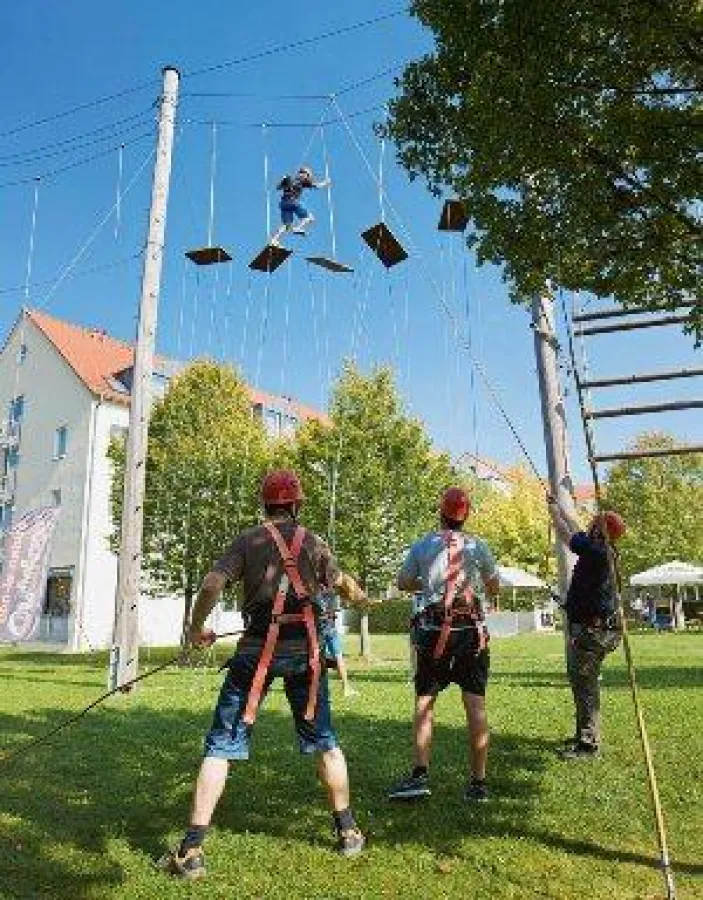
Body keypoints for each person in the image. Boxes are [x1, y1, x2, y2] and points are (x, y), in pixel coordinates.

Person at [158, 470, 368, 880]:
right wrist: (362, 599)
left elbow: (211, 584)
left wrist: (194, 628)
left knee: (221, 745)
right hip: (304, 655)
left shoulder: (248, 541)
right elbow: (344, 584)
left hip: (255, 652)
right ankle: (348, 832)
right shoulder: (315, 542)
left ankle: (191, 850)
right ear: (297, 504)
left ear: (265, 505)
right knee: (325, 741)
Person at [388, 487, 500, 803]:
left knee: (425, 703)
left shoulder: (424, 545)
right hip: (469, 635)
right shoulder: (479, 546)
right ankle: (478, 784)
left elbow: (403, 582)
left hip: (434, 633)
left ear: (441, 512)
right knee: (475, 705)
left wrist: (428, 581)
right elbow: (493, 586)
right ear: (467, 515)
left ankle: (420, 776)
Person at [548, 498, 626, 760]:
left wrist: (554, 515)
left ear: (598, 530)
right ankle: (585, 733)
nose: (590, 524)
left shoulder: (596, 552)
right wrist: (560, 509)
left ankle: (588, 744)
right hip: (599, 631)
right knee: (585, 683)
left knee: (585, 685)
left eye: (594, 523)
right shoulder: (604, 549)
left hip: (592, 632)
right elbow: (576, 529)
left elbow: (566, 534)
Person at [270, 166, 329, 245]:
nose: (306, 177)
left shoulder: (293, 180)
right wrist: (326, 182)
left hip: (284, 204)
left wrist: (283, 181)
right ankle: (298, 228)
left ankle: (274, 240)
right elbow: (316, 186)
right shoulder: (296, 181)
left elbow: (278, 187)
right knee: (310, 217)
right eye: (306, 175)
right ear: (304, 174)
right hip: (292, 201)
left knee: (286, 225)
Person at [320, 593, 357, 697]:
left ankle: (345, 687)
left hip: (324, 629)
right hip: (326, 629)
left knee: (334, 658)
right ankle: (346, 687)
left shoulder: (316, 590)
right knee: (337, 657)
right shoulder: (331, 594)